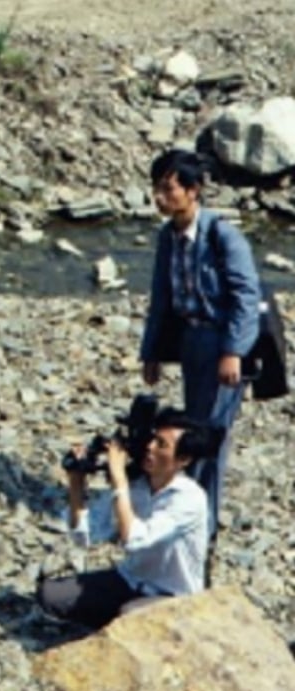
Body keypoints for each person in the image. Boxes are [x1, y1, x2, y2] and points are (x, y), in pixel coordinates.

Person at [138, 149, 259, 538]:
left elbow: (246, 296)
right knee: (193, 426)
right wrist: (152, 351)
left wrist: (232, 351)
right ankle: (189, 510)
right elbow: (160, 297)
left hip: (221, 343)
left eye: (168, 189)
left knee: (210, 434)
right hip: (191, 341)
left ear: (194, 190)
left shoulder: (222, 235)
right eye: (157, 189)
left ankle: (201, 525)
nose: (160, 197)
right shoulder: (168, 237)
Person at [37, 409, 210, 629]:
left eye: (161, 445)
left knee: (129, 615)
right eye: (152, 440)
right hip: (130, 579)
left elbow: (134, 539)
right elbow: (85, 535)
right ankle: (113, 625)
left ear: (183, 459)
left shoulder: (189, 499)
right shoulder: (138, 485)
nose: (150, 448)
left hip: (171, 594)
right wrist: (76, 481)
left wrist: (119, 479)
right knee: (50, 595)